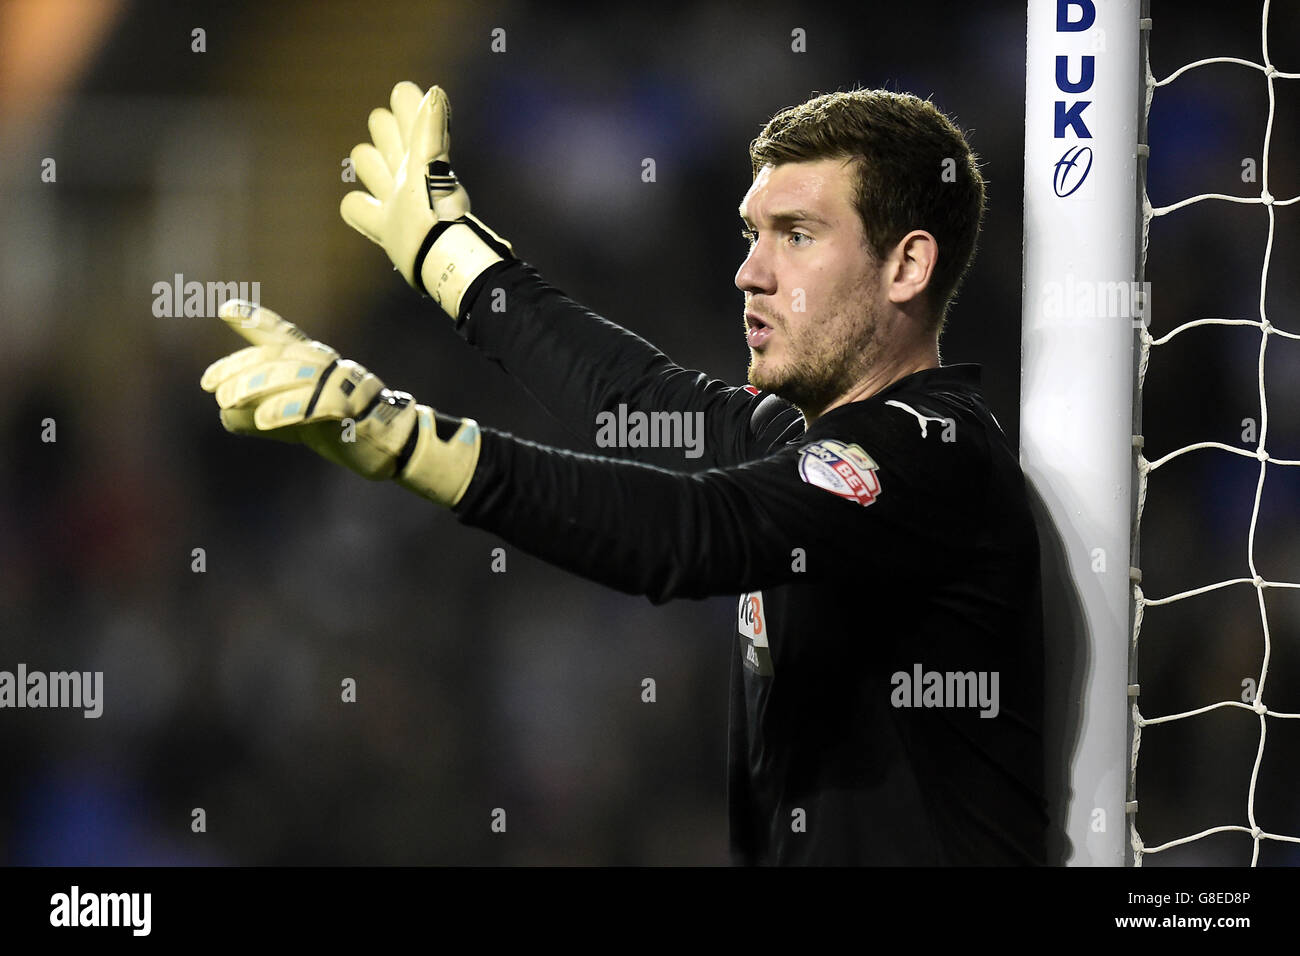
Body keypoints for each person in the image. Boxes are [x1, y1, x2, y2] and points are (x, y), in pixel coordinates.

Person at [201, 81, 1049, 865]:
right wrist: (444, 254)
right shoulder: (801, 437)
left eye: (796, 235)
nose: (750, 273)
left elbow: (689, 533)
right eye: (753, 236)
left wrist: (409, 440)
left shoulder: (930, 456)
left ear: (906, 266)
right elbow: (631, 399)